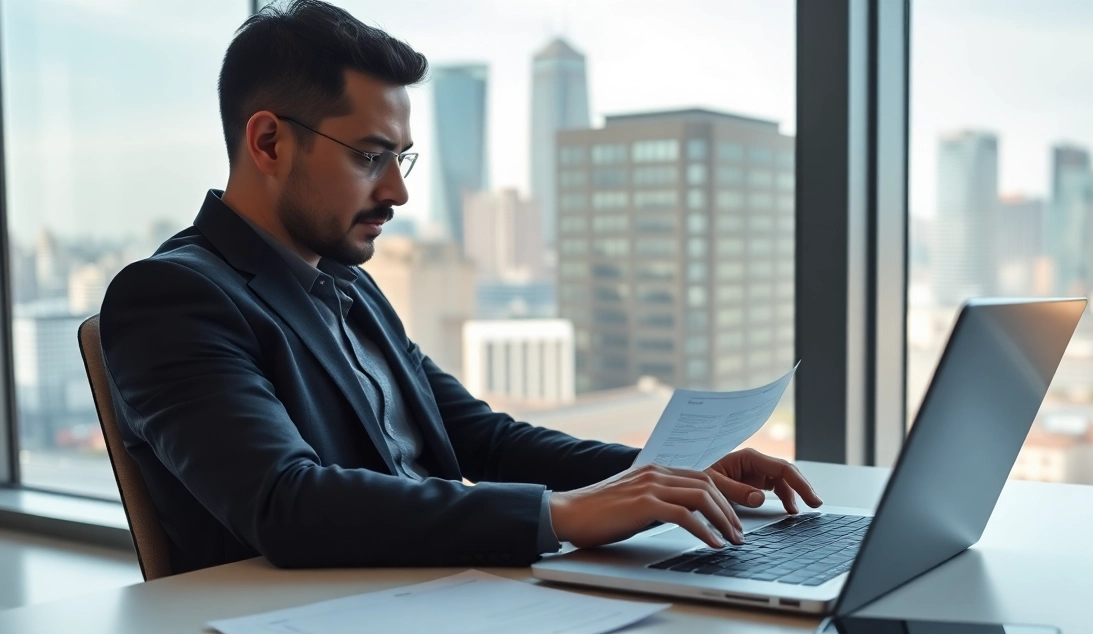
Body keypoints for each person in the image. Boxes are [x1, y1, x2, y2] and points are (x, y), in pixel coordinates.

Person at [100, 0, 820, 576]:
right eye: (370, 156)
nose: (396, 193)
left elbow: (481, 438)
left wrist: (668, 471)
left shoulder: (348, 284)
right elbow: (285, 503)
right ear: (268, 143)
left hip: (440, 598)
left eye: (401, 159)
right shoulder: (169, 298)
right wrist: (560, 515)